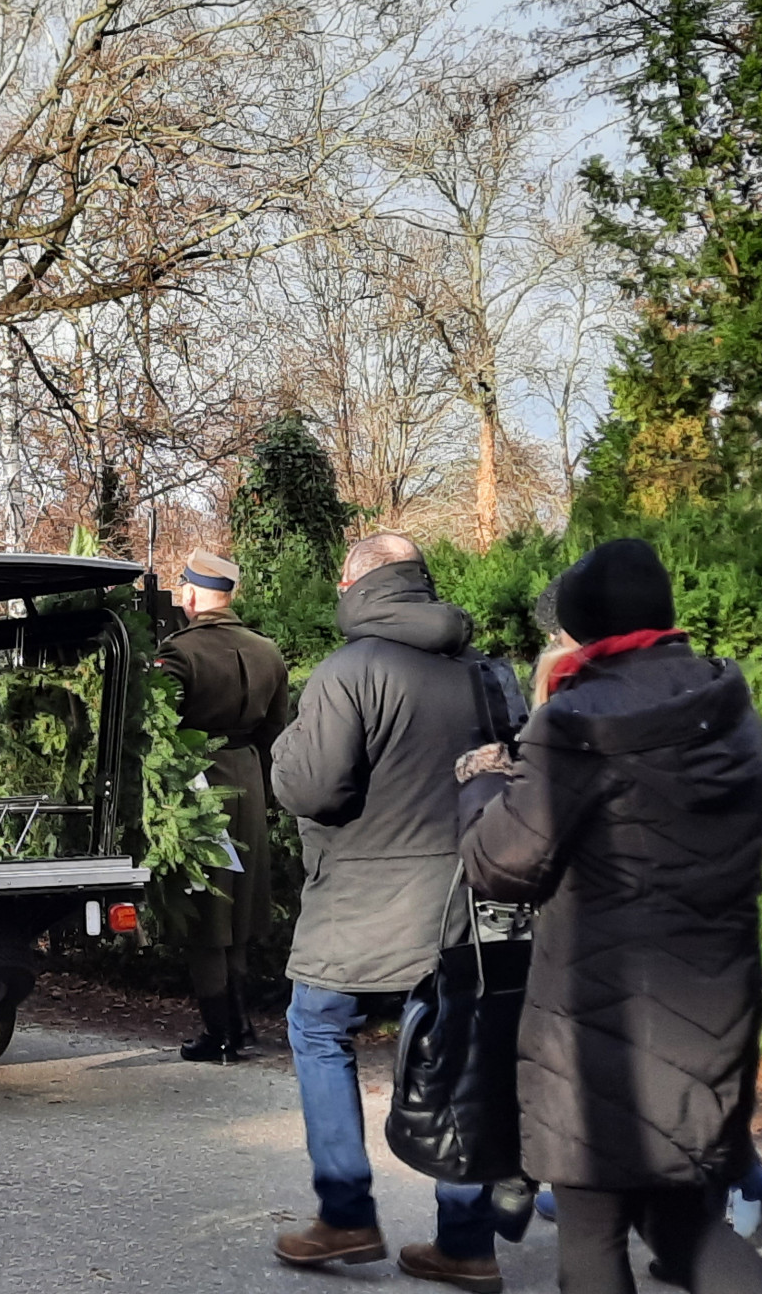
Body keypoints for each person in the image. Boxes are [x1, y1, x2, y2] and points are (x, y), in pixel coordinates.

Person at [457, 538, 762, 1294]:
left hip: (599, 1022)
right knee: (683, 1222)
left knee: (594, 1235)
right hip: (716, 1008)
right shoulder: (730, 709)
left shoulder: (573, 723)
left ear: (582, 628)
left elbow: (502, 866)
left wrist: (479, 785)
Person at [269, 533, 507, 1291]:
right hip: (470, 905)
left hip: (363, 901)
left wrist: (281, 752)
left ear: (356, 582)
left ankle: (345, 1215)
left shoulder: (349, 671)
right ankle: (467, 1244)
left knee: (317, 1026)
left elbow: (315, 791)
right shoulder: (488, 672)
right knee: (461, 1059)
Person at [155, 549, 288, 1064]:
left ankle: (222, 1032)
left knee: (207, 915)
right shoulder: (267, 651)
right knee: (238, 909)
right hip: (248, 780)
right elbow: (278, 731)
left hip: (196, 783)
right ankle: (242, 1023)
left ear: (189, 594)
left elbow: (161, 730)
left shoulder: (179, 652)